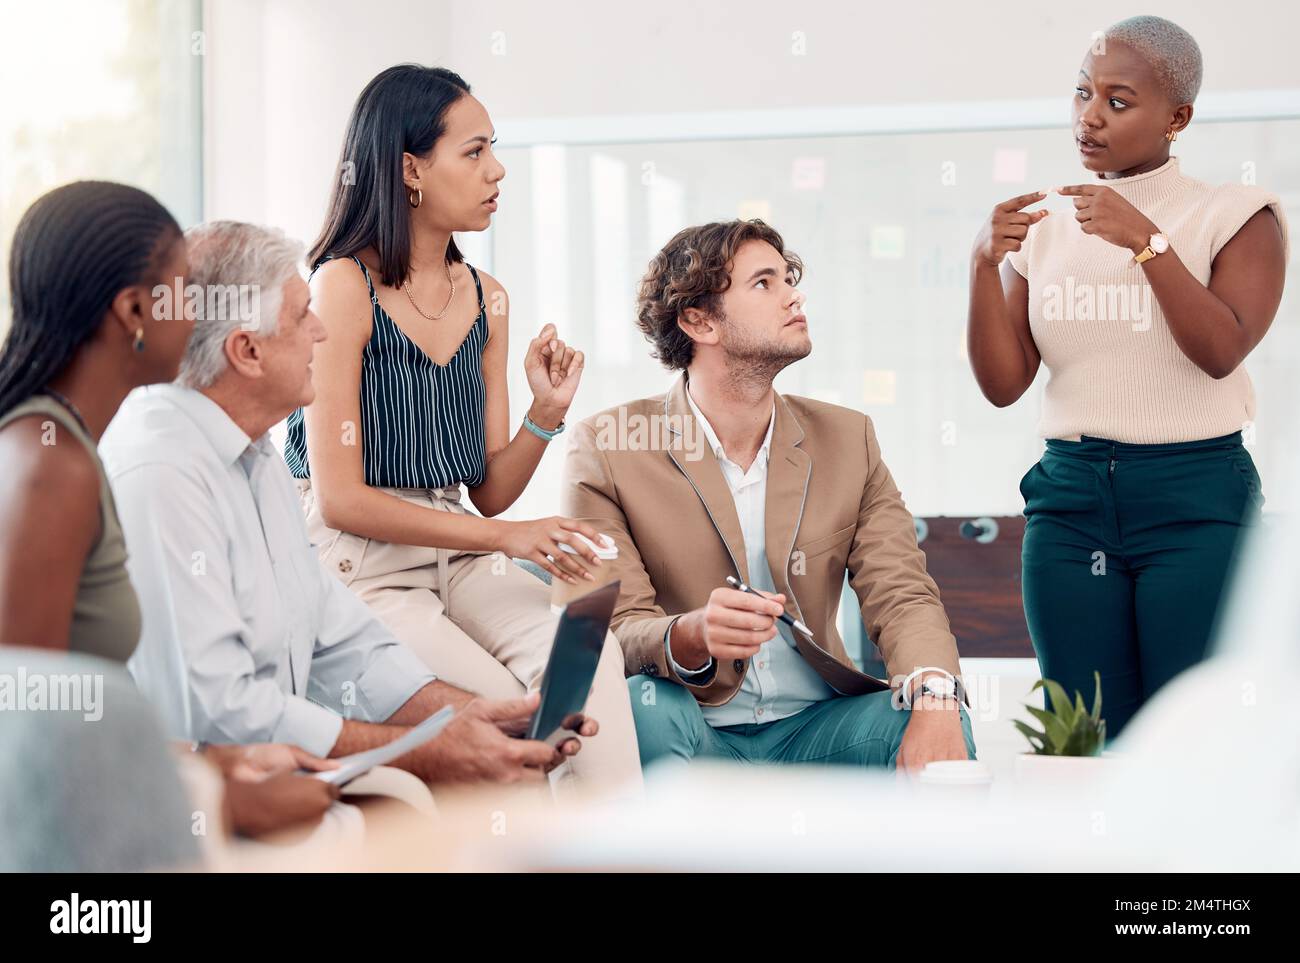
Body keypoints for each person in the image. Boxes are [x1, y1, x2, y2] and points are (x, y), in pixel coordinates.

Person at [101, 219, 595, 792]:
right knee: (445, 786)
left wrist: (467, 714)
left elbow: (341, 639)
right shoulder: (161, 475)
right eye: (300, 317)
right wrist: (430, 748)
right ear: (247, 351)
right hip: (195, 798)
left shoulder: (256, 456)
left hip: (269, 768)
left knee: (487, 759)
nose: (320, 331)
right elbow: (222, 714)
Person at [284, 64, 640, 796]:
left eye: (493, 149)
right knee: (502, 718)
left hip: (460, 547)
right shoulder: (342, 286)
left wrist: (545, 412)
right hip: (362, 563)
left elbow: (489, 491)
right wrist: (507, 539)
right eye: (474, 151)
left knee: (587, 659)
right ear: (410, 169)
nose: (496, 169)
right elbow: (341, 498)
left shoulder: (487, 298)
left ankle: (620, 845)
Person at [966, 16, 1288, 737]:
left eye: (1118, 101)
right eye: (1083, 93)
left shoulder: (1236, 214)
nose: (1090, 117)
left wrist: (1147, 242)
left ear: (1178, 118)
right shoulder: (1046, 224)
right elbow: (1004, 384)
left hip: (1194, 496)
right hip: (1070, 498)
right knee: (1081, 731)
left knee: (1190, 733)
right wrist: (983, 265)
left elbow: (1220, 349)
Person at [564, 219, 977, 772]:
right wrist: (690, 635)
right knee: (643, 706)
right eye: (764, 283)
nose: (793, 296)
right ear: (699, 321)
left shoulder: (847, 438)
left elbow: (901, 592)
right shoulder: (608, 447)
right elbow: (609, 629)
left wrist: (935, 695)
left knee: (937, 716)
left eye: (789, 280)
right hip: (692, 723)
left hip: (819, 729)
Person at [0, 180, 338, 838]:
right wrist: (222, 803)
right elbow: (24, 734)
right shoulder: (51, 468)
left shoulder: (67, 447)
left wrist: (208, 761)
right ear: (134, 310)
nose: (202, 312)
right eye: (187, 291)